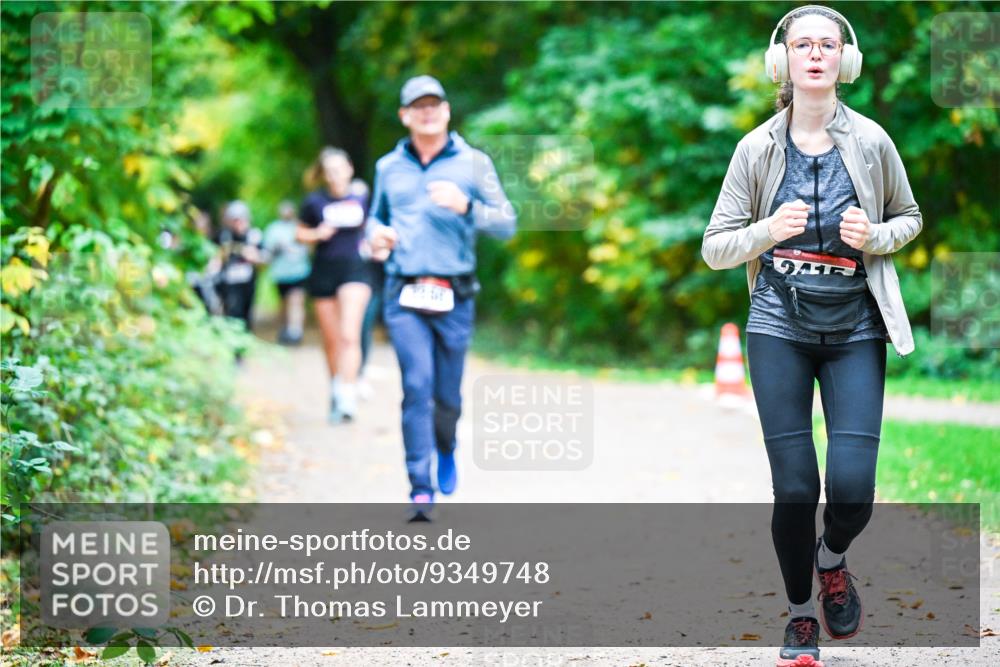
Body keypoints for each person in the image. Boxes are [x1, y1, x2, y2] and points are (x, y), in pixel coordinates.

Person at [701, 6, 922, 666]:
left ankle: (832, 558)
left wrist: (874, 236)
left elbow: (908, 215)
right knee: (796, 487)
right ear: (784, 61)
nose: (817, 54)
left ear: (844, 61)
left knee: (852, 489)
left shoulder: (874, 143)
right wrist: (768, 230)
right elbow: (715, 245)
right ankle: (801, 616)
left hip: (856, 328)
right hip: (779, 326)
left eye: (828, 44)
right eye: (804, 44)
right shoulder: (757, 149)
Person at [366, 75, 516, 521]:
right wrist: (376, 237)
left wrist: (466, 206)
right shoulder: (387, 167)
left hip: (455, 294)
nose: (428, 111)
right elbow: (374, 220)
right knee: (416, 386)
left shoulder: (473, 163)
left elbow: (507, 224)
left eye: (435, 104)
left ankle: (446, 446)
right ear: (405, 116)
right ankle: (420, 486)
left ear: (447, 111)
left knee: (447, 395)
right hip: (404, 291)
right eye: (418, 105)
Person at [297, 148, 372, 423]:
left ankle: (348, 394)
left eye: (339, 168)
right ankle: (336, 389)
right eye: (329, 170)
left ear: (350, 168)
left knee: (349, 335)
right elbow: (299, 233)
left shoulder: (363, 197)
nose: (335, 174)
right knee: (331, 341)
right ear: (323, 175)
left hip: (355, 270)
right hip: (324, 272)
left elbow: (376, 225)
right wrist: (316, 233)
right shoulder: (314, 202)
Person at [263, 201, 310, 345]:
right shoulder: (273, 229)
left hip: (300, 272)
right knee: (284, 303)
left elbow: (310, 247)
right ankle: (286, 329)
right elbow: (267, 251)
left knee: (297, 301)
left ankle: (296, 332)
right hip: (281, 274)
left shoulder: (300, 227)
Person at [214, 200, 264, 334]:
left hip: (248, 280)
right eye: (235, 220)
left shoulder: (254, 235)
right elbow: (216, 257)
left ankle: (245, 341)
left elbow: (262, 258)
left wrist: (254, 256)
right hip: (229, 281)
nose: (238, 223)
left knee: (247, 312)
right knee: (233, 311)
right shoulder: (224, 236)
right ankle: (235, 345)